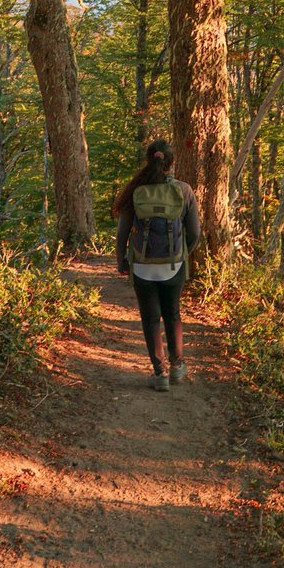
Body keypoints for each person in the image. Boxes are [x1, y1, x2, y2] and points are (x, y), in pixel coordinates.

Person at [114, 139, 200, 392]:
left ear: (149, 159)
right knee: (172, 314)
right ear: (171, 162)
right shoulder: (184, 190)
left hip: (143, 265)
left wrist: (122, 261)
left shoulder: (136, 189)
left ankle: (159, 373)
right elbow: (194, 233)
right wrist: (182, 254)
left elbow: (122, 233)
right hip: (173, 265)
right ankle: (178, 366)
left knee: (151, 318)